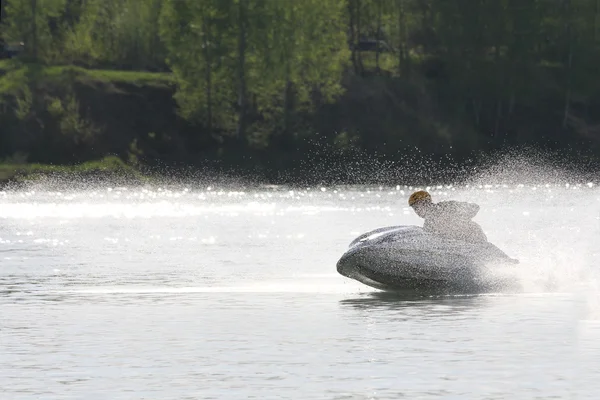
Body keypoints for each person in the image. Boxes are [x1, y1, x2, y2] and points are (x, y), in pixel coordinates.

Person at [408, 190, 488, 243]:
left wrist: (457, 219)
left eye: (417, 207)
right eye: (414, 208)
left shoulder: (445, 206)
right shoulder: (428, 224)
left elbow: (474, 207)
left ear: (426, 203)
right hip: (460, 246)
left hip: (475, 239)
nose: (416, 211)